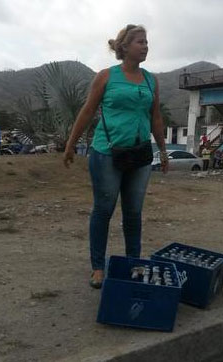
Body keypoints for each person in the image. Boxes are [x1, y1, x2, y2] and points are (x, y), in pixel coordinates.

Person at [62, 25, 168, 289]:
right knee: (104, 209)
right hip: (107, 153)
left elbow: (155, 117)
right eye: (140, 42)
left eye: (147, 42)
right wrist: (71, 144)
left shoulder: (150, 80)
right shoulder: (106, 76)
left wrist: (163, 150)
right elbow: (87, 112)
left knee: (133, 212)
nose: (145, 46)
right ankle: (98, 267)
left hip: (140, 153)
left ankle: (134, 262)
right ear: (125, 47)